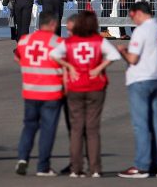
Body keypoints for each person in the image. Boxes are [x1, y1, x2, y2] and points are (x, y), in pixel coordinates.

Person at [50, 11, 121, 178]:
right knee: (92, 129)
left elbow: (54, 55)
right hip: (95, 86)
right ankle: (95, 168)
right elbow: (114, 55)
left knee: (76, 129)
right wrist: (99, 68)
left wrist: (69, 66)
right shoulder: (99, 41)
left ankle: (76, 168)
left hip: (75, 86)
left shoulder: (70, 42)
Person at [116, 1, 157, 179]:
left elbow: (133, 58)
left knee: (141, 125)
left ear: (138, 13)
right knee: (155, 123)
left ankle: (142, 165)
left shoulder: (141, 31)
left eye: (131, 16)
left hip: (140, 79)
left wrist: (122, 51)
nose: (132, 20)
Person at [14, 12, 64, 177]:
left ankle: (22, 158)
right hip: (51, 92)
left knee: (29, 126)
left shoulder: (25, 40)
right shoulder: (57, 43)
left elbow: (17, 57)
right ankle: (43, 166)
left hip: (30, 91)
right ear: (52, 24)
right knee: (47, 130)